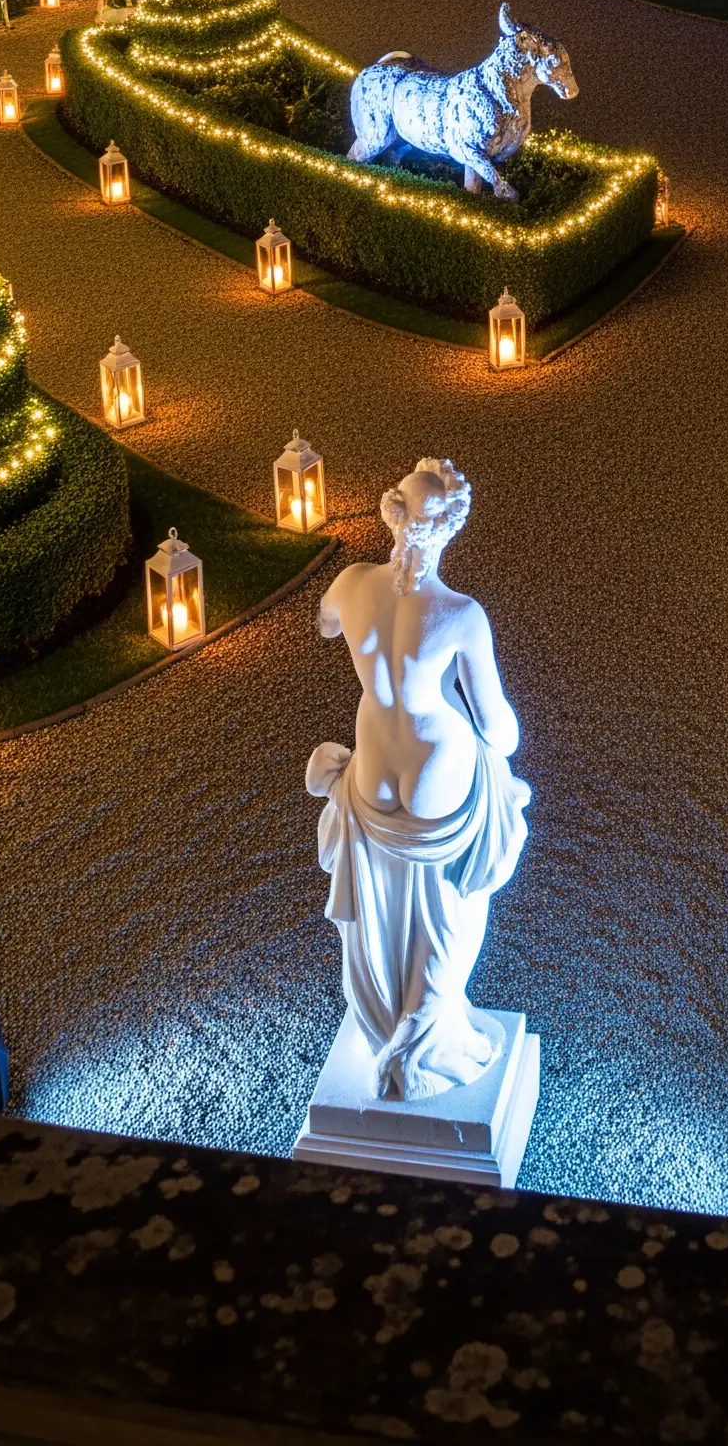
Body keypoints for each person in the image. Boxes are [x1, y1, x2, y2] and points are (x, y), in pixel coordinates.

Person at [306, 460, 530, 1103]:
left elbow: (325, 623)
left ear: (391, 513)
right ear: (451, 528)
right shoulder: (460, 614)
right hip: (438, 767)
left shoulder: (352, 584)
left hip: (373, 768)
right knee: (448, 908)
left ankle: (389, 1025)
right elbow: (500, 729)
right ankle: (424, 1031)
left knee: (381, 904)